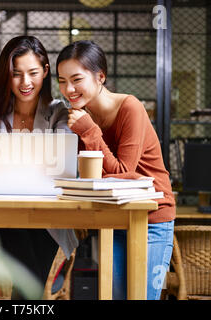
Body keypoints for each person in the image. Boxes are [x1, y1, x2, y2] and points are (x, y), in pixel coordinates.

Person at [56, 40, 175, 300]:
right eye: (62, 81)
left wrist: (88, 130)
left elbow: (123, 171)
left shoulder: (130, 107)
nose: (69, 89)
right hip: (113, 216)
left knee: (142, 297)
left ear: (100, 76)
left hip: (151, 218)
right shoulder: (81, 116)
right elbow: (90, 175)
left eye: (77, 79)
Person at [0, 35, 79, 296]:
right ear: (6, 75)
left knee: (28, 266)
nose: (25, 82)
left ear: (45, 71)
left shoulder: (59, 112)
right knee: (28, 276)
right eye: (16, 74)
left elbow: (62, 166)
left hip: (47, 220)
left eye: (33, 72)